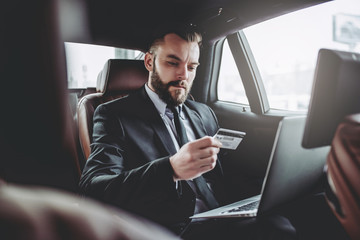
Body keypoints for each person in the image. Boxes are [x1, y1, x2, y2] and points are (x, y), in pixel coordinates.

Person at [79, 23, 296, 239]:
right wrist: (171, 169)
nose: (184, 75)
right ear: (149, 61)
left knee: (280, 225)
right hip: (172, 230)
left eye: (191, 67)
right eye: (173, 62)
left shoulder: (203, 113)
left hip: (222, 217)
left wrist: (265, 193)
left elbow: (228, 172)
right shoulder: (114, 115)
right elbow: (95, 189)